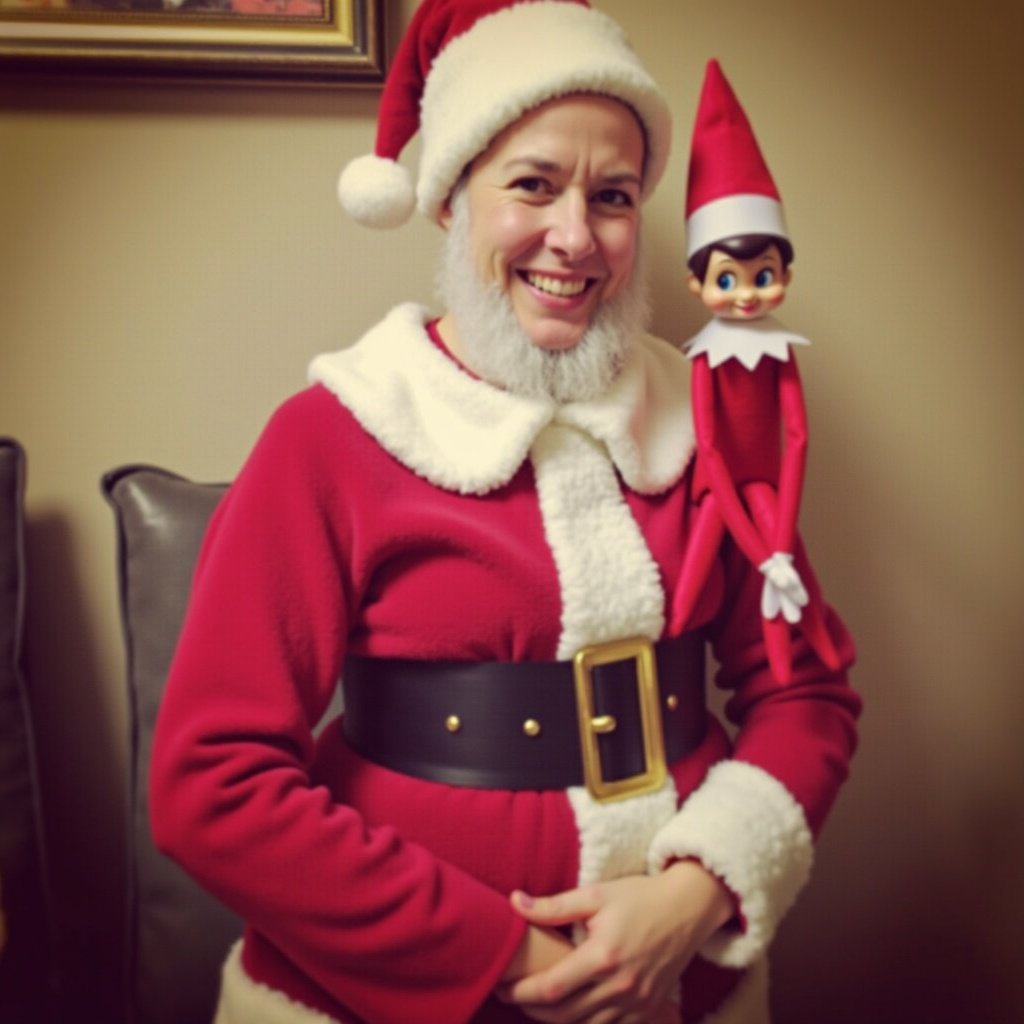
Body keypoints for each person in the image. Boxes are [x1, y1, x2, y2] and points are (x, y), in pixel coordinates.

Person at [149, 2, 860, 1022]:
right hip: (375, 997)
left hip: (680, 981)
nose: (574, 237)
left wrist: (694, 894)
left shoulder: (709, 422)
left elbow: (808, 697)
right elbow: (208, 784)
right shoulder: (330, 433)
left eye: (612, 197)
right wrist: (510, 956)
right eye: (532, 184)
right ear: (450, 201)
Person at [674, 59, 841, 684]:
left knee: (793, 563)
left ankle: (804, 655)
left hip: (769, 486)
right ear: (697, 284)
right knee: (691, 577)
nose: (746, 295)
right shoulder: (704, 357)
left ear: (785, 278)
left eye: (763, 277)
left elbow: (797, 437)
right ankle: (670, 640)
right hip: (715, 488)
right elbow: (710, 445)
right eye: (726, 279)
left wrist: (778, 536)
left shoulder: (781, 349)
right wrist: (757, 545)